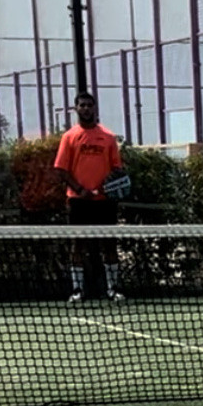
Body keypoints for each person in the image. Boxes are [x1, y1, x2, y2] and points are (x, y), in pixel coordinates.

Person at [53, 91, 128, 304]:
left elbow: (117, 169)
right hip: (78, 202)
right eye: (82, 105)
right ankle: (77, 290)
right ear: (76, 109)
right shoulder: (69, 137)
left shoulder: (108, 137)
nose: (86, 109)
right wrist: (80, 190)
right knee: (77, 244)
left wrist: (109, 188)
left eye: (89, 105)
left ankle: (113, 289)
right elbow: (61, 170)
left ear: (94, 108)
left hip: (104, 202)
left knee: (109, 244)